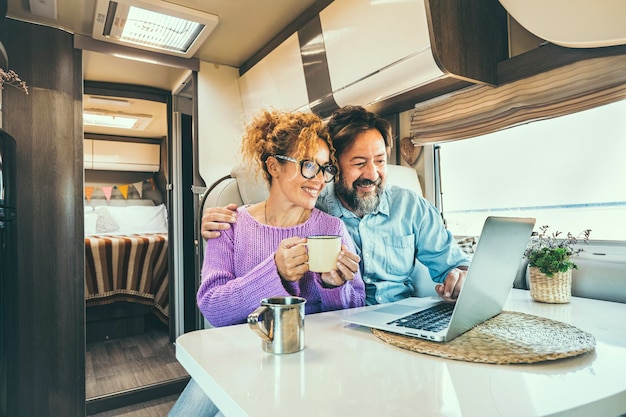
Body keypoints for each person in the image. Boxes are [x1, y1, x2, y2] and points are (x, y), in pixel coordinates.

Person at [168, 109, 365, 417]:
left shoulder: (332, 229)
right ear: (274, 166)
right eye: (308, 165)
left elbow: (353, 316)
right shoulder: (231, 225)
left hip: (311, 358)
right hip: (239, 354)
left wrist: (332, 285)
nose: (319, 180)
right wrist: (275, 271)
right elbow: (213, 307)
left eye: (324, 169)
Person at [202, 105, 470, 305]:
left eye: (379, 161)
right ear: (338, 166)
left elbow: (455, 266)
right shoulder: (312, 210)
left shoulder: (406, 207)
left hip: (395, 321)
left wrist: (461, 277)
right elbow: (213, 304)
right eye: (358, 163)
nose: (373, 174)